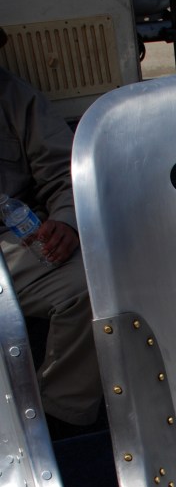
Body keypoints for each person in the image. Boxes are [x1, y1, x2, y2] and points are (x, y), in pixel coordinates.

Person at [0, 27, 102, 437]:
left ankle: (58, 417)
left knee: (90, 286)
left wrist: (65, 221)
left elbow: (65, 168)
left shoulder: (11, 94)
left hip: (14, 236)